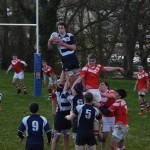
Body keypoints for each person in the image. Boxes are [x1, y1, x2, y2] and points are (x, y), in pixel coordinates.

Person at [51, 71, 72, 150]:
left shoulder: (71, 90)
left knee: (66, 137)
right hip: (60, 115)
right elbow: (62, 80)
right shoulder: (59, 91)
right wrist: (63, 71)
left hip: (68, 115)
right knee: (56, 137)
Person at [63, 77, 84, 150]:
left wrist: (67, 80)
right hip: (84, 118)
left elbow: (65, 91)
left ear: (74, 91)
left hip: (75, 118)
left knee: (76, 138)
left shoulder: (72, 98)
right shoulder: (85, 96)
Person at [99, 82, 116, 150]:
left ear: (107, 86)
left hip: (114, 117)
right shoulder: (98, 94)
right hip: (105, 118)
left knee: (116, 136)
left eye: (102, 84)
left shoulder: (111, 91)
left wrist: (100, 94)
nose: (100, 85)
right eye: (99, 84)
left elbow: (112, 96)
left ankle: (115, 148)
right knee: (104, 136)